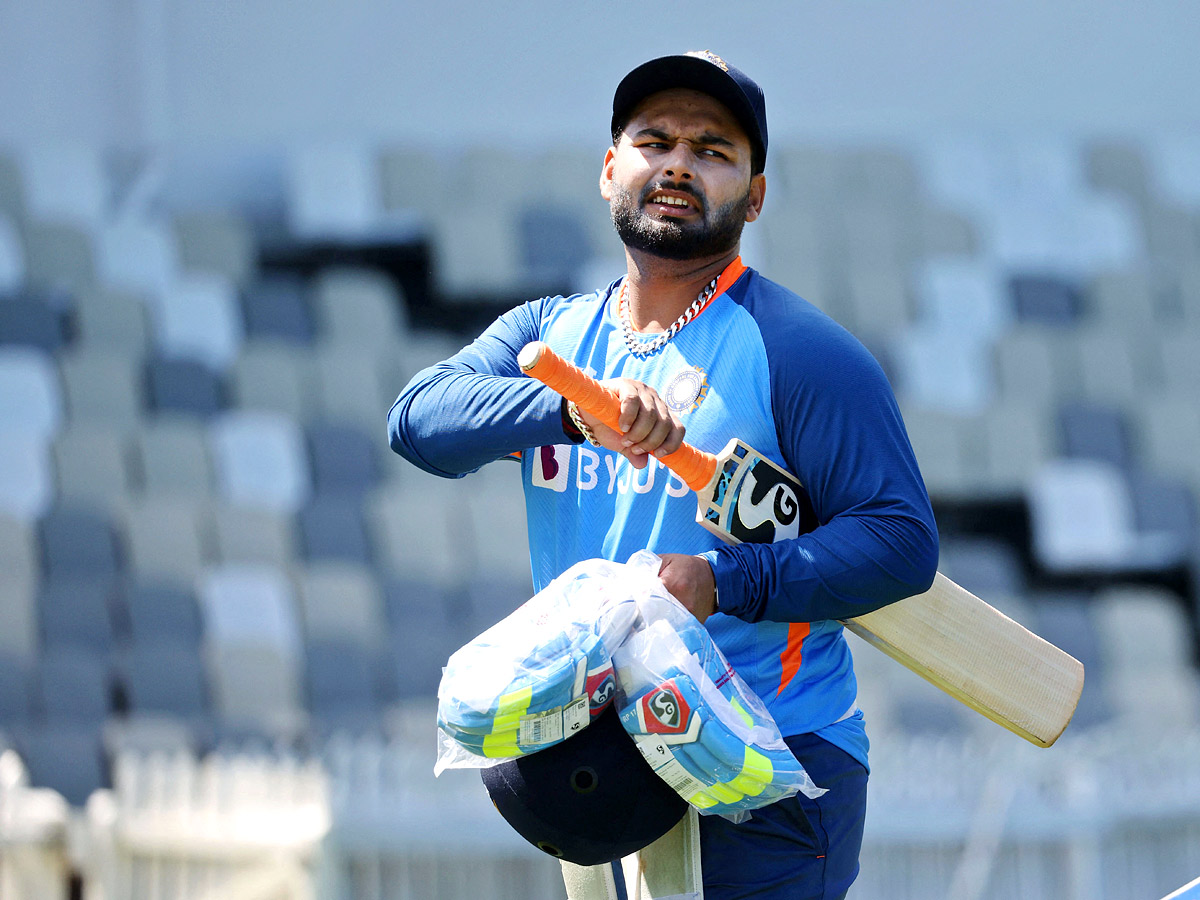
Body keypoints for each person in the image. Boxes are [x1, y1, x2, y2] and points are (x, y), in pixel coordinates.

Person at [389, 50, 938, 900]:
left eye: (713, 149)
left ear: (755, 194)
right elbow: (418, 421)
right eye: (654, 140)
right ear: (611, 170)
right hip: (598, 761)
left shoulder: (800, 352)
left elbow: (899, 544)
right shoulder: (550, 336)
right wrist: (575, 413)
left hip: (766, 765)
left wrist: (723, 581)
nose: (678, 162)